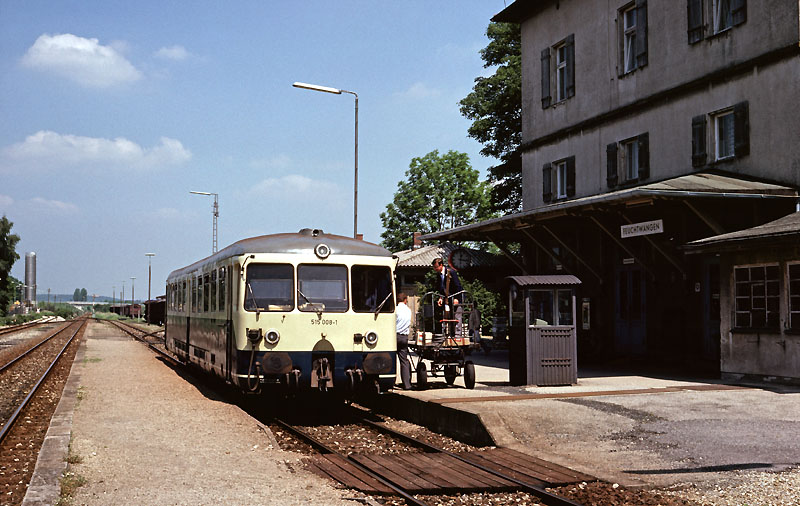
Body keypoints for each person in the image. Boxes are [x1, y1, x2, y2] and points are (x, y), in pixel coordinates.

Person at [431, 257, 463, 337]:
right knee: (448, 317)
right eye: (434, 267)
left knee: (457, 317)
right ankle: (450, 335)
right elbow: (441, 288)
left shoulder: (451, 272)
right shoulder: (439, 275)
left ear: (441, 265)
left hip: (455, 298)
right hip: (447, 299)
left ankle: (457, 336)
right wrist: (440, 298)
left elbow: (458, 286)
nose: (435, 269)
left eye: (436, 267)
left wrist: (457, 298)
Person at [395, 292, 412, 390]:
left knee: (392, 359)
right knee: (403, 361)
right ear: (405, 300)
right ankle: (407, 384)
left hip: (395, 336)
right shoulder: (408, 310)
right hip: (404, 337)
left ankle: (391, 381)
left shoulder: (396, 310)